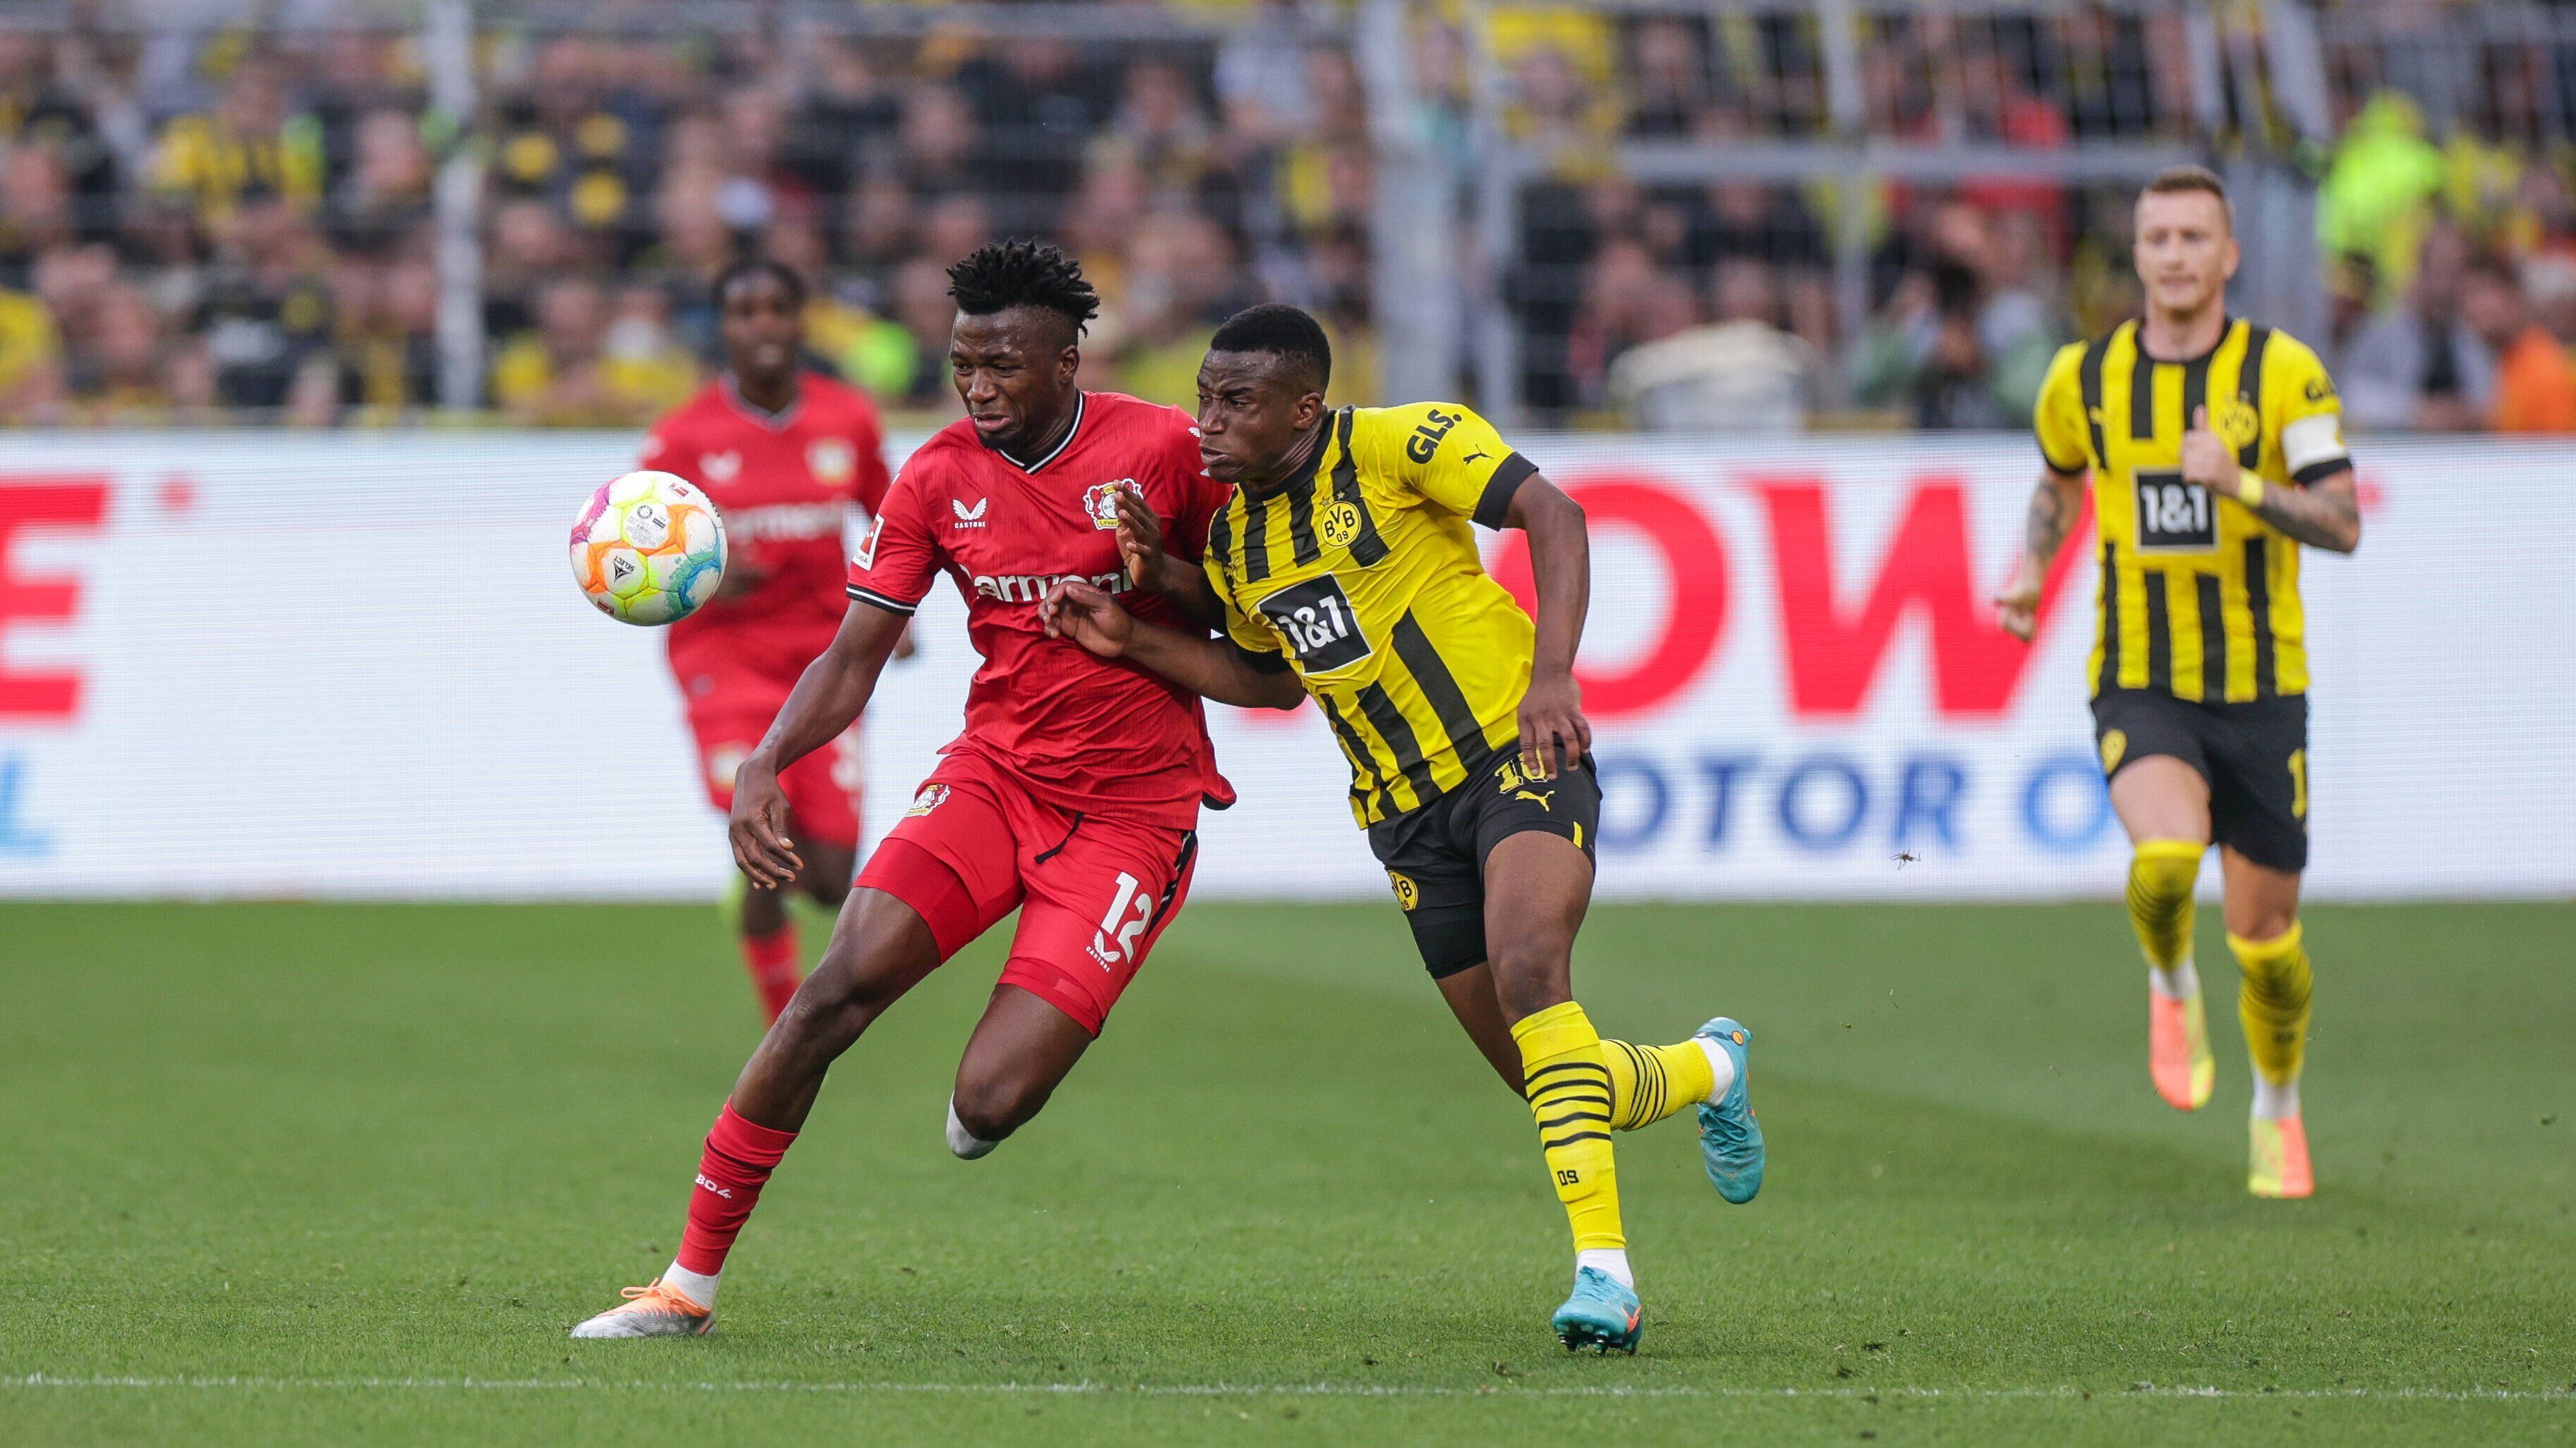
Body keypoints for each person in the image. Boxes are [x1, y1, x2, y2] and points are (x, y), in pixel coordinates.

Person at [1039, 303, 1764, 1354]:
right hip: (1402, 817)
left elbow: (1554, 515)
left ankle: (1604, 1276)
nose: (1206, 421)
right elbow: (1268, 676)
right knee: (1550, 1077)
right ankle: (1708, 1069)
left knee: (1531, 978)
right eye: (1202, 396)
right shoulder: (1239, 539)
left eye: (1235, 401)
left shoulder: (1399, 442)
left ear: (1304, 406)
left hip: (1513, 754)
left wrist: (1551, 678)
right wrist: (1136, 630)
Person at [568, 241, 1233, 1339]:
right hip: (993, 778)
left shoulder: (1163, 450)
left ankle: (994, 1085)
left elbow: (1249, 618)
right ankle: (683, 1286)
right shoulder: (935, 475)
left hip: (1130, 814)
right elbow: (852, 656)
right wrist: (765, 762)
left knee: (989, 1102)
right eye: (962, 363)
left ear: (1068, 358)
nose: (977, 386)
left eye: (1003, 366)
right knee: (832, 994)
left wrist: (1162, 578)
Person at [1995, 168, 2362, 1200]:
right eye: (2155, 237)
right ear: (2137, 252)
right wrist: (2029, 569)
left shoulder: (2281, 372)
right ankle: (2167, 983)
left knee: (2265, 940)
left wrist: (2238, 482)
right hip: (2137, 675)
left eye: (2192, 237)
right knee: (2161, 857)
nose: (2171, 255)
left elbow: (2341, 522)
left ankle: (2276, 1110)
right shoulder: (2086, 374)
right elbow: (2058, 475)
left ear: (2226, 254)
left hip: (2258, 690)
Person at [636, 259, 894, 1022]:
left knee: (830, 877)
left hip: (823, 662)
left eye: (777, 308)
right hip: (725, 659)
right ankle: (783, 1025)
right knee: (766, 844)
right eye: (744, 311)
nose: (763, 325)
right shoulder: (681, 440)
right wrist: (705, 578)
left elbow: (893, 523)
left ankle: (753, 888)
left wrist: (896, 618)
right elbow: (633, 569)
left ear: (799, 319)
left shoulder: (847, 418)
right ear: (723, 326)